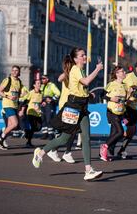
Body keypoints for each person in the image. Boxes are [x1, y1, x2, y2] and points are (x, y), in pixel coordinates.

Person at [31, 47, 104, 181]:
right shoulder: (75, 69)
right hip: (73, 107)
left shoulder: (80, 70)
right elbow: (86, 82)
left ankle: (88, 170)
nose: (84, 57)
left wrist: (89, 95)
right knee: (65, 138)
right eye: (82, 55)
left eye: (84, 55)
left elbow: (80, 89)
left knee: (86, 138)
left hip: (82, 107)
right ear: (75, 59)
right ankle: (41, 152)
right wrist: (98, 69)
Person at [46, 54, 80, 164]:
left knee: (70, 131)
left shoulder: (79, 72)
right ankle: (66, 152)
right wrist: (67, 72)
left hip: (75, 105)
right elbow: (59, 79)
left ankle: (55, 150)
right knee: (72, 130)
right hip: (67, 105)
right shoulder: (69, 73)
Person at [116, 61, 137, 159]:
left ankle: (121, 150)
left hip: (134, 107)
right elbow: (119, 86)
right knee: (122, 131)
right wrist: (125, 97)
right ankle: (110, 145)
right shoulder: (128, 76)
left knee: (132, 131)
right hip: (126, 106)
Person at [99, 65, 128, 161]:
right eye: (122, 71)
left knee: (113, 134)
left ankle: (104, 154)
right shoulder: (111, 84)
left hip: (120, 113)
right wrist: (111, 98)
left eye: (124, 71)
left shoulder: (125, 86)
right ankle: (105, 146)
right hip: (111, 111)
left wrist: (124, 116)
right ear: (117, 74)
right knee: (120, 132)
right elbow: (102, 95)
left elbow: (123, 101)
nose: (124, 72)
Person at [0, 65, 23, 150]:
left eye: (16, 70)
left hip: (14, 106)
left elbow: (20, 93)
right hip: (7, 104)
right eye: (13, 70)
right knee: (15, 123)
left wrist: (22, 95)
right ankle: (1, 139)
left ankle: (1, 141)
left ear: (19, 72)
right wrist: (8, 96)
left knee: (10, 125)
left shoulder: (19, 81)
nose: (15, 72)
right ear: (11, 71)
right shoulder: (8, 80)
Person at [19, 79, 42, 148]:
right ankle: (28, 142)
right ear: (34, 85)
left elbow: (40, 102)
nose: (39, 85)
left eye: (40, 83)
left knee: (38, 128)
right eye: (38, 83)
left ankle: (26, 132)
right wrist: (22, 110)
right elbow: (25, 102)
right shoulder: (31, 93)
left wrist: (43, 103)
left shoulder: (41, 93)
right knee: (32, 127)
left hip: (38, 113)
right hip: (31, 112)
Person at [40, 74, 60, 140]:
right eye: (41, 79)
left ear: (47, 79)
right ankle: (45, 134)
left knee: (49, 119)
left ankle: (51, 134)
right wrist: (41, 101)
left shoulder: (51, 85)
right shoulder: (42, 86)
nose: (42, 80)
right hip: (43, 104)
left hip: (49, 105)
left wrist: (52, 99)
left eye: (43, 78)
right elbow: (41, 95)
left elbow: (58, 93)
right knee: (43, 119)